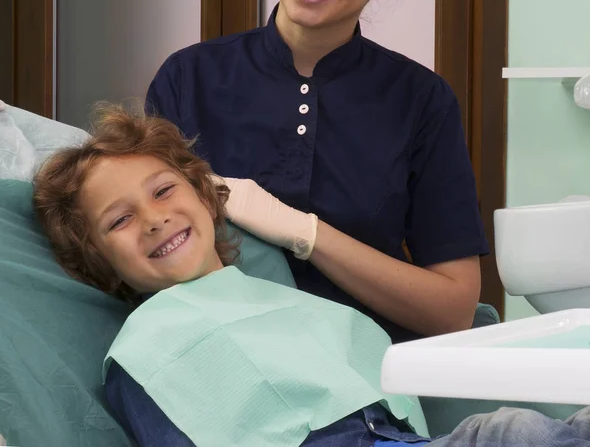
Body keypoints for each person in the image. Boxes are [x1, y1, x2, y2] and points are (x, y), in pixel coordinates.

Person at [32, 105, 590, 447]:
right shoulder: (143, 356)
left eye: (163, 191)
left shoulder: (282, 303)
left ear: (206, 196)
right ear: (95, 258)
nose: (154, 220)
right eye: (121, 220)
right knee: (508, 432)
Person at [146, 0, 487, 344]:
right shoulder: (189, 77)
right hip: (218, 354)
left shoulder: (421, 101)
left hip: (366, 372)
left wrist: (304, 233)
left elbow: (453, 309)